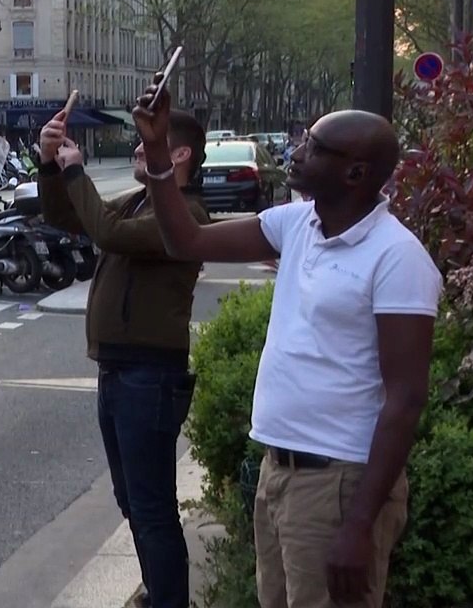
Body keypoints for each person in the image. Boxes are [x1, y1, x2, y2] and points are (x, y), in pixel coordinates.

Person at [130, 78, 442, 608]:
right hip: (280, 474)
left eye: (315, 147)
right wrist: (158, 153)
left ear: (356, 173)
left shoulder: (398, 257)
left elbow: (406, 398)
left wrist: (359, 523)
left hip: (340, 487)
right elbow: (186, 241)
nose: (297, 152)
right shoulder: (298, 223)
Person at [36, 105, 211, 608]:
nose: (138, 147)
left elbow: (108, 233)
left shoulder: (184, 213)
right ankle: (159, 594)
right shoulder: (141, 200)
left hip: (148, 375)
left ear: (178, 154)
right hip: (120, 372)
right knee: (132, 502)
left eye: (147, 142)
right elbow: (68, 216)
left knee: (152, 507)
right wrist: (51, 165)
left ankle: (169, 601)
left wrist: (74, 169)